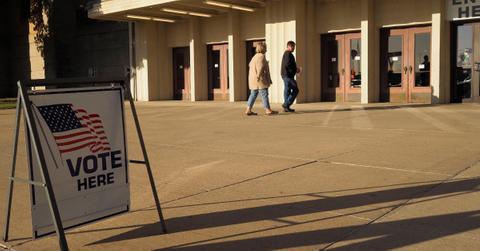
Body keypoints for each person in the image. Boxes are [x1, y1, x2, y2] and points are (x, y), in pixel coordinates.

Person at [245, 42, 277, 116]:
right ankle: (267, 109)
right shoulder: (261, 56)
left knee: (253, 93)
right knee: (264, 93)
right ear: (263, 48)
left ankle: (248, 109)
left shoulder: (254, 56)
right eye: (265, 47)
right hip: (259, 79)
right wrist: (259, 76)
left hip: (252, 78)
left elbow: (250, 65)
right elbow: (260, 67)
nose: (266, 49)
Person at [281, 41, 301, 112]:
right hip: (287, 75)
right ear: (288, 46)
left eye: (294, 47)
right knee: (295, 89)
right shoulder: (288, 54)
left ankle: (286, 107)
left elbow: (289, 64)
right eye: (293, 47)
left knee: (287, 90)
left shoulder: (288, 54)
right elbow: (287, 65)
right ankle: (286, 104)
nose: (294, 48)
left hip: (287, 75)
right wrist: (296, 69)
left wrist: (295, 69)